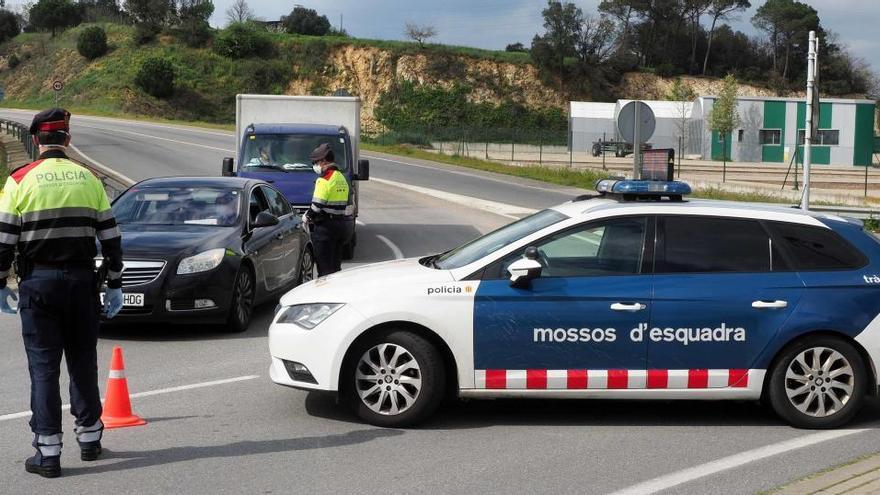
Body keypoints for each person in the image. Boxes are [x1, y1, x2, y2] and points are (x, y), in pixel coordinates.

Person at [0, 108, 124, 478]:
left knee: (43, 368)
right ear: (67, 140)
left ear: (36, 140)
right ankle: (89, 440)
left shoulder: (19, 180)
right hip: (83, 284)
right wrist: (115, 283)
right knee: (83, 363)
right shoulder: (89, 179)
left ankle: (48, 453)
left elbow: (4, 241)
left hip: (40, 285)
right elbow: (112, 240)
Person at [304, 143, 351, 276]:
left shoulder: (324, 180)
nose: (315, 166)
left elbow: (317, 206)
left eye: (315, 162)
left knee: (324, 269)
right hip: (341, 225)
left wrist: (307, 216)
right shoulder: (341, 178)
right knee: (335, 268)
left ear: (323, 161)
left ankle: (323, 295)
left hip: (325, 229)